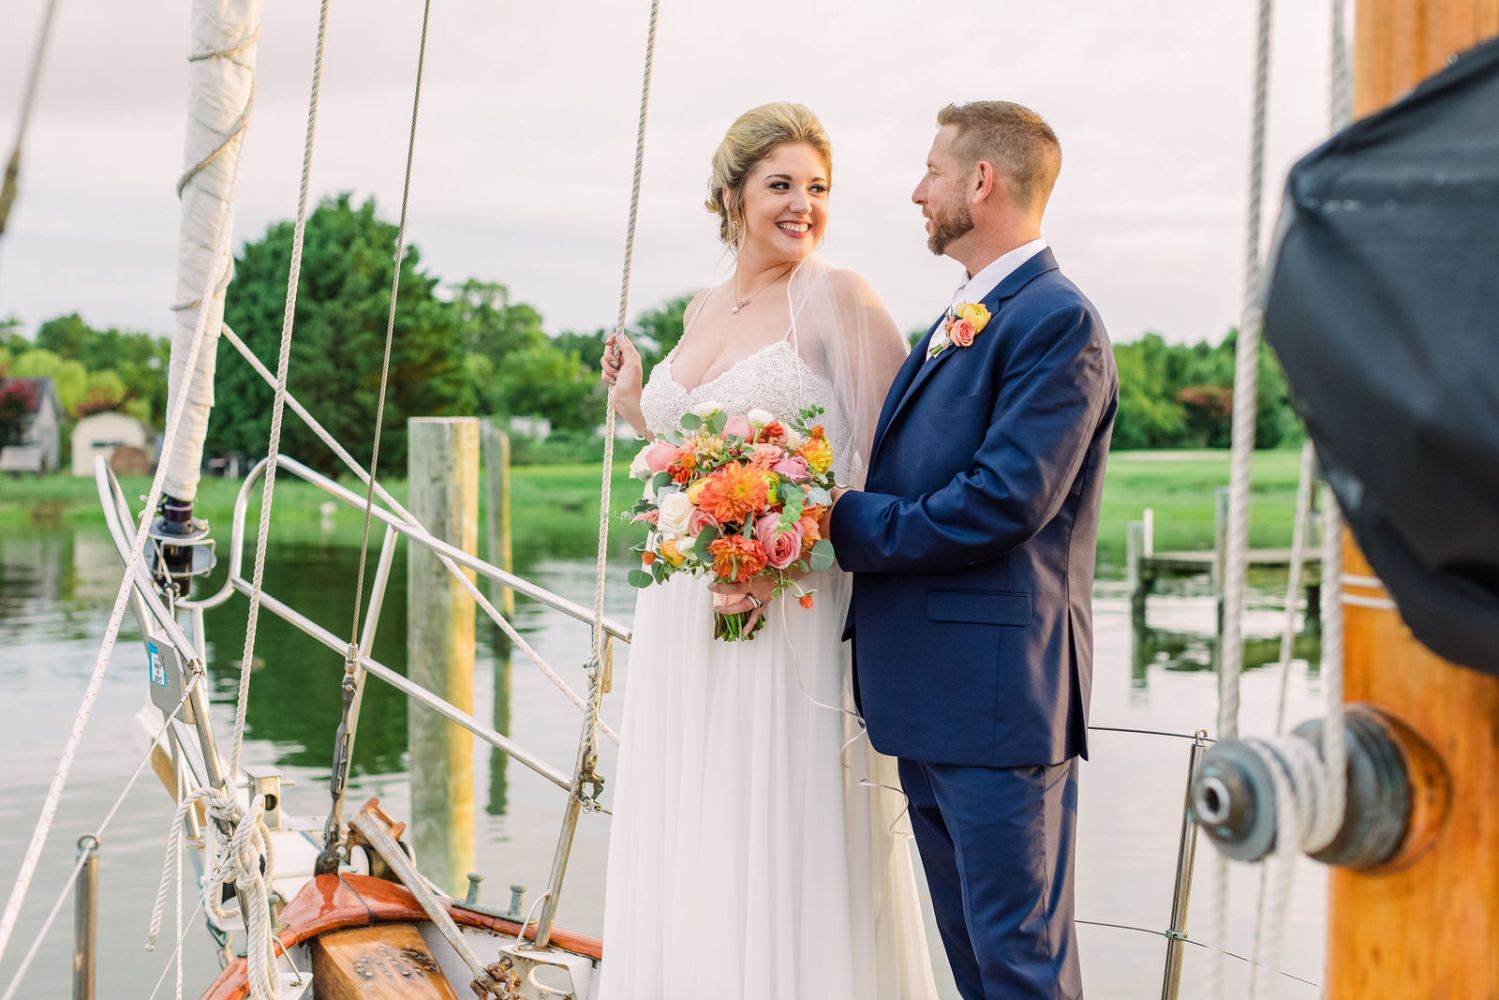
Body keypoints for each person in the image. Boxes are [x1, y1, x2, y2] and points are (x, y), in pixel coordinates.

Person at [596, 103, 939, 1000]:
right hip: (684, 616)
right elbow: (689, 453)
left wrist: (792, 535)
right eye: (780, 185)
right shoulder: (709, 302)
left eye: (817, 188)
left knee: (772, 821)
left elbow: (902, 458)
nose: (802, 206)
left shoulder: (838, 296)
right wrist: (638, 407)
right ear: (730, 194)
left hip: (784, 604)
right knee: (695, 819)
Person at [826, 101, 1119, 999]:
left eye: (932, 171)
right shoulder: (973, 309)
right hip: (935, 699)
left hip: (999, 703)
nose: (919, 192)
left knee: (1018, 964)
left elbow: (1003, 502)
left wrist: (847, 522)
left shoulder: (1054, 319)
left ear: (981, 182)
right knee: (975, 963)